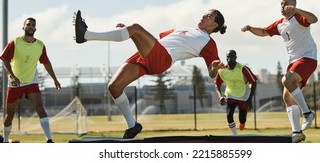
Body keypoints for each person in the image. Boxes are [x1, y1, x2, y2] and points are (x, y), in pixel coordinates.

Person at [73, 9, 226, 138]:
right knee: (114, 87)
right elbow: (155, 40)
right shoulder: (183, 28)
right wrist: (126, 31)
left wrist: (214, 67)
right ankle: (132, 126)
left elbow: (212, 74)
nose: (204, 16)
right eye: (205, 13)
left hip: (162, 59)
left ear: (214, 25)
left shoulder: (209, 43)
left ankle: (85, 35)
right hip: (149, 53)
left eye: (209, 16)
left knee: (136, 28)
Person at [241, 0, 317, 143]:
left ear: (293, 5)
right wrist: (250, 28)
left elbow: (314, 19)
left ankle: (308, 113)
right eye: (281, 4)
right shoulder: (280, 24)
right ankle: (297, 133)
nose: (283, 6)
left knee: (286, 79)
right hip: (293, 62)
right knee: (287, 97)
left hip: (307, 58)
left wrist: (297, 9)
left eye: (286, 3)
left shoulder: (299, 18)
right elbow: (263, 32)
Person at [0, 17, 61, 143]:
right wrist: (11, 75)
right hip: (15, 83)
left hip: (31, 81)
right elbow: (5, 59)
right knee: (10, 115)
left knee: (40, 108)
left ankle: (49, 140)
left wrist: (55, 79)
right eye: (28, 24)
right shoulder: (15, 42)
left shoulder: (40, 45)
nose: (31, 26)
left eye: (33, 25)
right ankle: (5, 141)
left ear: (35, 28)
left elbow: (46, 62)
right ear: (23, 27)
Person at [215, 50, 257, 135]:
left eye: (231, 56)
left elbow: (254, 82)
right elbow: (217, 85)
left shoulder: (243, 69)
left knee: (242, 118)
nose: (229, 59)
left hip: (244, 95)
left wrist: (250, 99)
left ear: (236, 57)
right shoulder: (222, 70)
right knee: (229, 115)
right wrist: (220, 96)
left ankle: (242, 123)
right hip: (230, 95)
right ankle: (235, 136)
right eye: (227, 57)